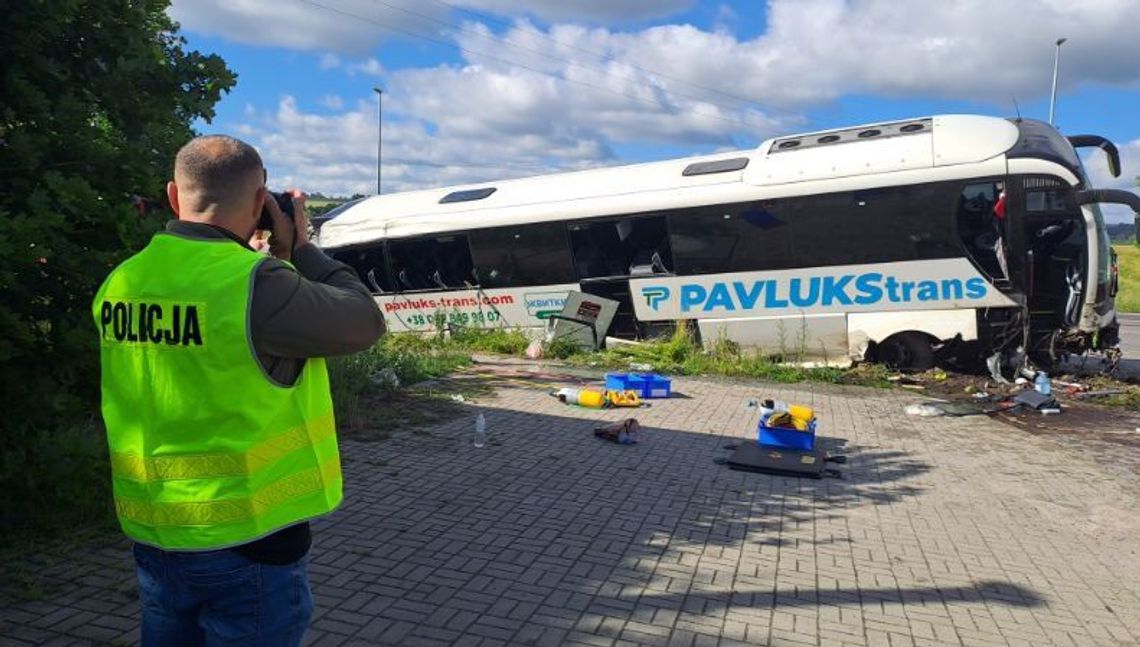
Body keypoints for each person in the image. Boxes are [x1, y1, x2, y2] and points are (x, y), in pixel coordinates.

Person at [92, 135, 386, 645]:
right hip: (246, 540)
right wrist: (303, 249)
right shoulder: (256, 283)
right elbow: (364, 321)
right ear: (259, 203)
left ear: (172, 195)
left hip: (156, 533)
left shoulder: (123, 280)